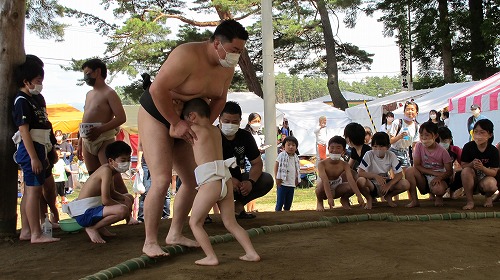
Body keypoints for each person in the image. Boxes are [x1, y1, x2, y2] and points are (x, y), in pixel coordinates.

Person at [137, 19, 249, 257]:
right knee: (160, 178)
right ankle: (149, 241)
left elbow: (219, 99)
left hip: (191, 121)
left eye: (240, 51)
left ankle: (175, 232)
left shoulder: (226, 67)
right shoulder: (186, 54)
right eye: (234, 50)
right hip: (158, 114)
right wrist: (175, 122)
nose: (236, 57)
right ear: (217, 43)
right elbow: (158, 90)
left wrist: (204, 126)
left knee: (192, 179)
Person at [179, 98, 260, 265]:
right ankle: (251, 253)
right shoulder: (215, 131)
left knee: (195, 222)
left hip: (210, 182)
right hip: (226, 180)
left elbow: (174, 130)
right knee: (231, 222)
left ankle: (211, 256)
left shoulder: (193, 129)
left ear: (191, 116)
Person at [77, 59, 137, 224]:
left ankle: (128, 215)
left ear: (97, 72)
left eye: (88, 73)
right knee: (93, 178)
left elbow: (121, 117)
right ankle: (95, 215)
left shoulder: (109, 93)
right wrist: (80, 142)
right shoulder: (89, 94)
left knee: (114, 177)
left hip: (104, 139)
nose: (86, 76)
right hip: (87, 139)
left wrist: (100, 130)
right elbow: (84, 118)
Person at [12, 60, 60, 243]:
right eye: (38, 80)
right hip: (30, 147)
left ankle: (26, 230)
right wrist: (33, 157)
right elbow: (23, 130)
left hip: (41, 145)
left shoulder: (34, 99)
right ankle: (35, 233)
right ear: (26, 82)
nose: (40, 84)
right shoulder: (21, 100)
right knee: (33, 191)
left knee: (31, 191)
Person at [63, 141, 133, 243]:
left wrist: (125, 199)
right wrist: (126, 210)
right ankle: (93, 228)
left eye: (128, 160)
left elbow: (112, 192)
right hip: (84, 214)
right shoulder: (106, 171)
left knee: (128, 197)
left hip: (91, 209)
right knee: (122, 210)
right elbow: (106, 200)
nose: (126, 163)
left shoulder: (111, 171)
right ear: (111, 160)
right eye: (123, 160)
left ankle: (100, 226)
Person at [219, 101, 275, 217]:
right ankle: (203, 214)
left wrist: (250, 182)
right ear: (220, 119)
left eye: (234, 122)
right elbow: (205, 165)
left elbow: (257, 163)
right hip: (215, 180)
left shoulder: (245, 136)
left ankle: (239, 206)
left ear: (240, 121)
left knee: (266, 179)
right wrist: (227, 179)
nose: (230, 125)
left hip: (238, 182)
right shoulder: (211, 135)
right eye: (227, 121)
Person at [405, 122, 453, 207]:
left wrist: (440, 177)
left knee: (438, 189)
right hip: (424, 176)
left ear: (435, 136)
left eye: (427, 135)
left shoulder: (443, 151)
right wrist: (434, 173)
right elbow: (416, 165)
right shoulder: (419, 146)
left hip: (439, 177)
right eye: (421, 135)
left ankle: (438, 197)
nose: (423, 138)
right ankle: (414, 200)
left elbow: (449, 171)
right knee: (409, 171)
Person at [357, 132, 410, 209]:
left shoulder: (391, 155)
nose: (378, 149)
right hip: (371, 182)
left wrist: (389, 185)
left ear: (388, 146)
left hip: (385, 181)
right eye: (375, 146)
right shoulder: (369, 154)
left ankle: (389, 196)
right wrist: (375, 176)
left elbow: (399, 174)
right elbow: (360, 172)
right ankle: (369, 199)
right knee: (361, 181)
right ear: (371, 146)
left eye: (381, 146)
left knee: (405, 184)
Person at [315, 136, 365, 211]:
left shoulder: (345, 164)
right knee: (319, 188)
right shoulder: (322, 164)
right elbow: (325, 180)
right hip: (324, 186)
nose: (334, 150)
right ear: (328, 149)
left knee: (351, 186)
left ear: (343, 150)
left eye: (338, 148)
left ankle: (344, 199)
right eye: (332, 147)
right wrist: (329, 198)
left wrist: (359, 196)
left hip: (338, 185)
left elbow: (350, 180)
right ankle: (319, 202)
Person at [461, 119, 499, 210]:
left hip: (486, 177)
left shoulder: (493, 150)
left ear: (490, 135)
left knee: (491, 184)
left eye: (482, 132)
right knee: (466, 171)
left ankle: (488, 197)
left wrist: (482, 168)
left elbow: (494, 172)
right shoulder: (468, 147)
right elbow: (463, 165)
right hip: (472, 176)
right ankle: (470, 201)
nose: (478, 135)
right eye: (476, 132)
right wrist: (471, 164)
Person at [136, 140, 170, 222]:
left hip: (162, 161)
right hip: (147, 162)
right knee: (145, 192)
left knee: (165, 190)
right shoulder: (145, 129)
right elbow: (140, 146)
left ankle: (165, 216)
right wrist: (139, 163)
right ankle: (142, 217)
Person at [244, 112, 266, 213]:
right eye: (255, 121)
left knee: (255, 184)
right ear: (249, 122)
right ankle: (248, 209)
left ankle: (252, 208)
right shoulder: (247, 134)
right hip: (250, 161)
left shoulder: (257, 133)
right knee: (250, 183)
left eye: (259, 121)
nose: (257, 123)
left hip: (258, 159)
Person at [389, 101, 420, 170]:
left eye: (412, 109)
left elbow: (414, 145)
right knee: (396, 175)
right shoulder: (397, 123)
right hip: (394, 151)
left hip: (406, 153)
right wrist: (400, 137)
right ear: (404, 111)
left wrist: (415, 160)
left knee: (407, 175)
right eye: (407, 109)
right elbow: (390, 141)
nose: (410, 112)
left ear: (416, 113)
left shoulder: (416, 126)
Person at [274, 136, 300, 211]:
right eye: (288, 145)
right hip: (282, 183)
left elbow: (296, 169)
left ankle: (286, 217)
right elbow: (276, 166)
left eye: (293, 145)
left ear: (296, 147)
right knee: (280, 202)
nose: (291, 147)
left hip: (291, 184)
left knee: (288, 203)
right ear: (284, 146)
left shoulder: (296, 158)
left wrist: (297, 179)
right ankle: (277, 217)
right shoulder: (281, 155)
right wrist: (276, 178)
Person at [437, 126, 463, 198]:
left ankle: (452, 191)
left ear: (450, 139)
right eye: (439, 141)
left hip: (449, 174)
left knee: (463, 173)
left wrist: (453, 170)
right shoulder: (432, 150)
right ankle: (433, 194)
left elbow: (465, 165)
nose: (442, 143)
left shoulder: (455, 150)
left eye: (444, 141)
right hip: (436, 174)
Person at [54, 130, 74, 194]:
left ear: (62, 136)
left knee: (67, 174)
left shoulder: (66, 144)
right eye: (56, 136)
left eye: (59, 135)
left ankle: (69, 188)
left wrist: (63, 154)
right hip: (57, 163)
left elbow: (69, 153)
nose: (58, 137)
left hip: (65, 162)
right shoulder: (54, 145)